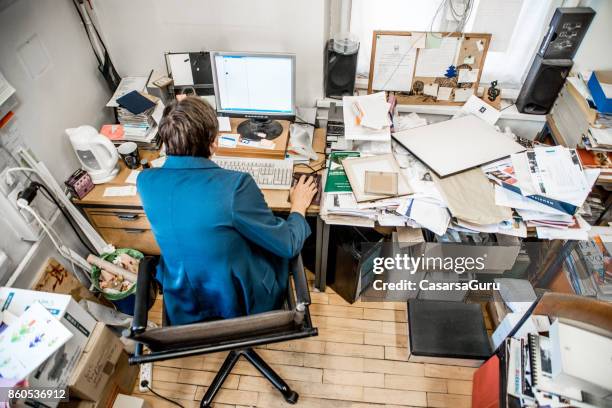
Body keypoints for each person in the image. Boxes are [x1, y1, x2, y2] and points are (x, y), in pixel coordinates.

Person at [137, 97, 317, 325]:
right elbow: (288, 244)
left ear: (165, 142)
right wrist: (299, 205)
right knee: (276, 235)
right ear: (214, 142)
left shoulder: (145, 181)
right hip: (243, 305)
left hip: (185, 306)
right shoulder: (236, 186)